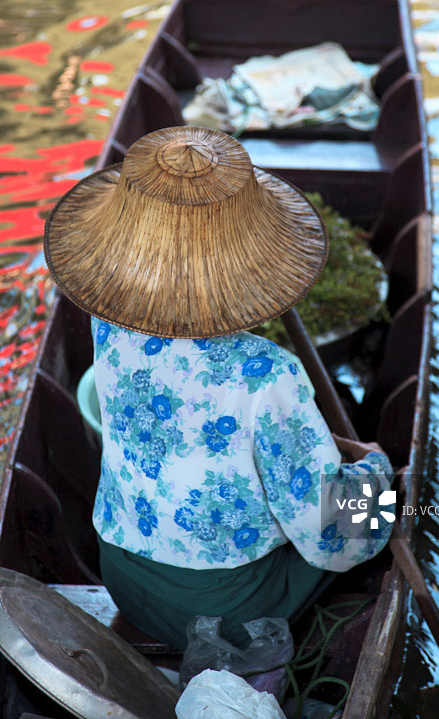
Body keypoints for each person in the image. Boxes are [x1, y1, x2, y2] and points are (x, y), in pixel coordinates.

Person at [43, 126, 394, 651]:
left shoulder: (107, 323)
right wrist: (375, 473)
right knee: (379, 507)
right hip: (228, 609)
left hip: (123, 574)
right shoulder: (266, 372)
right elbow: (325, 532)